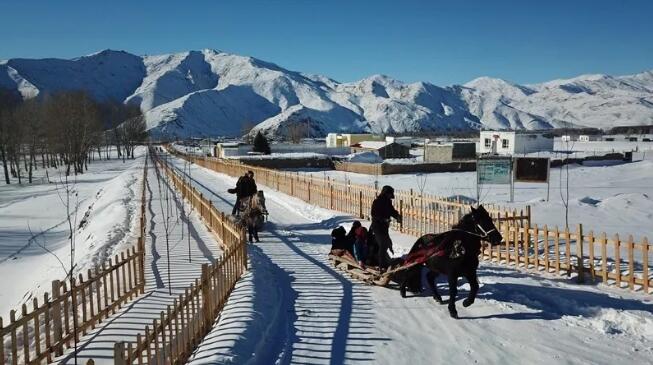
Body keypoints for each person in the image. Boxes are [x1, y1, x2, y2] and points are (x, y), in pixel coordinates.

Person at [370, 185, 402, 269]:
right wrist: (383, 219)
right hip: (377, 226)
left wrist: (397, 216)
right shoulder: (377, 202)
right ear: (385, 193)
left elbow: (391, 210)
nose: (390, 197)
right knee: (383, 244)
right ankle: (382, 266)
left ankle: (383, 260)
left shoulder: (388, 202)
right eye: (389, 194)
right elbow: (374, 214)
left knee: (386, 243)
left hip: (384, 227)